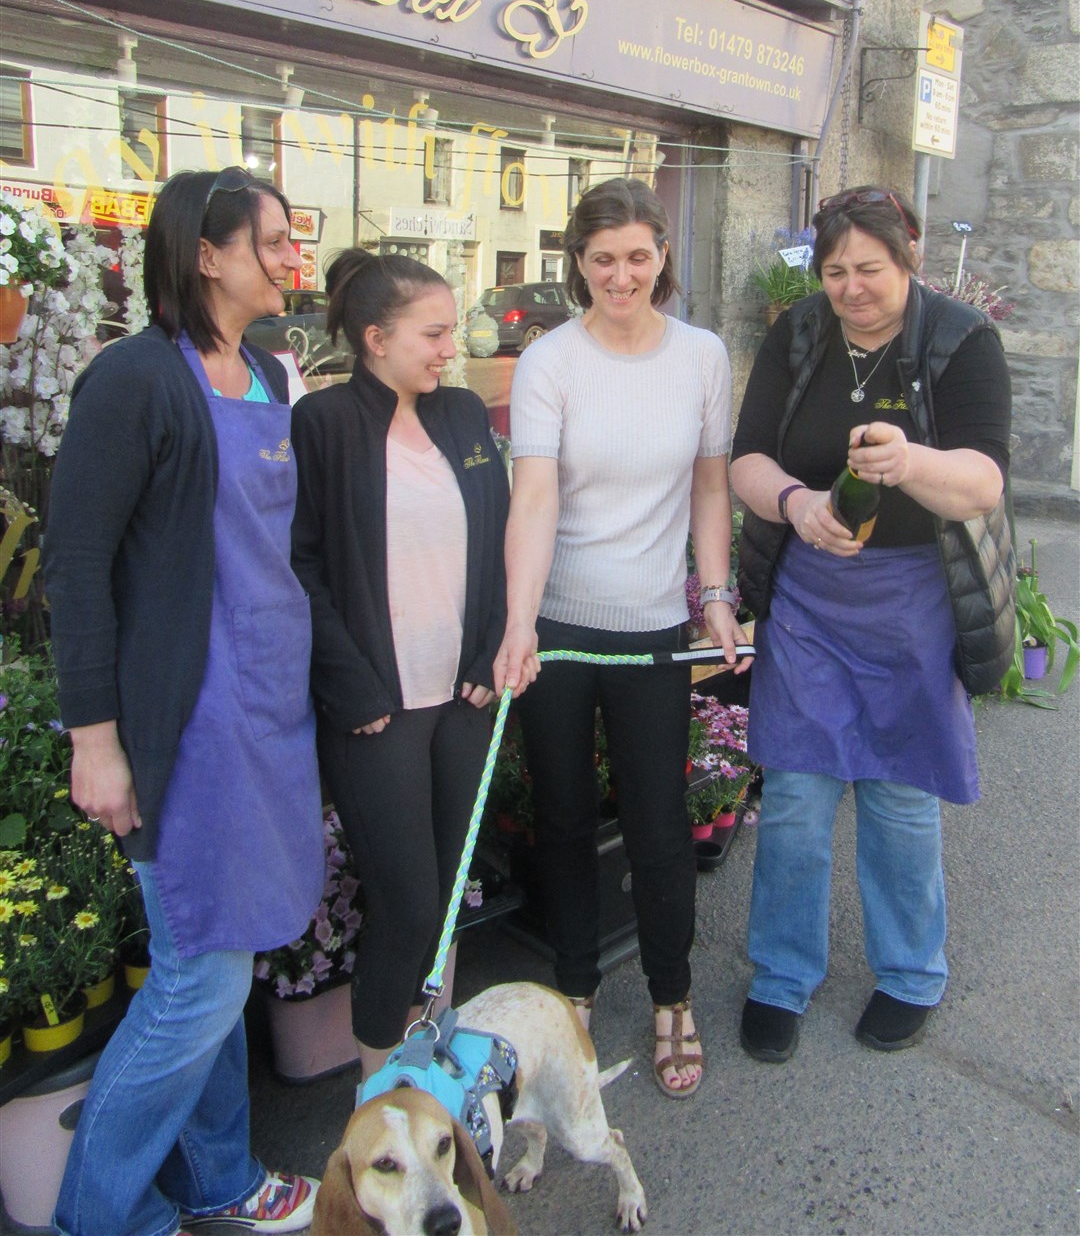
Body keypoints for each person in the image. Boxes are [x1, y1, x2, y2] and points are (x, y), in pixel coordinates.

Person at [43, 168, 325, 1236]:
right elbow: (75, 562)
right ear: (207, 255)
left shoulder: (262, 371)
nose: (289, 258)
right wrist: (96, 739)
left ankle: (217, 1180)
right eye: (271, 242)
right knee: (199, 980)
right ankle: (95, 1216)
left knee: (224, 961)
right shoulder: (133, 379)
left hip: (266, 709)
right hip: (186, 722)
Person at [731, 185, 1014, 1064]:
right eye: (834, 270)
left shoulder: (962, 340)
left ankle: (910, 973)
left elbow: (984, 482)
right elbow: (746, 459)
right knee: (796, 795)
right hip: (812, 595)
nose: (851, 287)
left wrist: (912, 460)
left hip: (913, 600)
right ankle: (781, 974)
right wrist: (796, 501)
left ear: (911, 256)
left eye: (871, 269)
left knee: (898, 791)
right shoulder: (801, 332)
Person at [494, 176, 748, 1099]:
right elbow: (534, 495)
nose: (621, 274)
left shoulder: (703, 356)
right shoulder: (549, 359)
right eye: (602, 259)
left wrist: (714, 595)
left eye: (638, 255)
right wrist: (520, 622)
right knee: (560, 818)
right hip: (560, 623)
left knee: (658, 816)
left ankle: (672, 993)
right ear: (577, 264)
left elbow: (711, 485)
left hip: (652, 626)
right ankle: (574, 990)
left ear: (663, 255)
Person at [290, 250, 508, 1078]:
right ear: (376, 338)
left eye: (452, 330)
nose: (450, 346)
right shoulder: (326, 424)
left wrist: (490, 648)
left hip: (462, 697)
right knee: (407, 903)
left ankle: (434, 1073)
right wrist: (349, 682)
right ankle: (378, 1099)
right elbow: (299, 564)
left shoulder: (460, 414)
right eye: (435, 332)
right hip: (377, 707)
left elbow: (496, 538)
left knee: (447, 901)